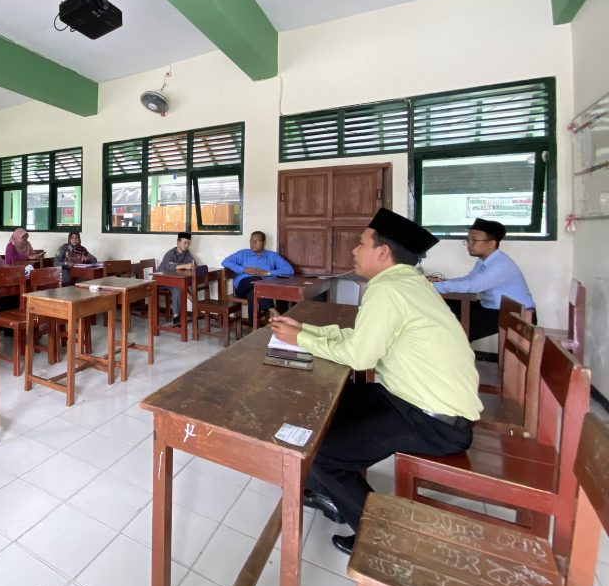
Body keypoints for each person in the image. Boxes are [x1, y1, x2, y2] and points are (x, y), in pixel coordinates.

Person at [269, 208, 480, 556]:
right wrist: (304, 329)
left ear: (383, 252)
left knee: (321, 450)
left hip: (433, 420)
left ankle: (379, 536)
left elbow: (360, 357)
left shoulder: (389, 290)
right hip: (411, 398)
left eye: (361, 243)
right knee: (330, 406)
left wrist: (301, 340)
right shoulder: (407, 283)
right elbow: (362, 338)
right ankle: (325, 489)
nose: (354, 250)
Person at [430, 218, 536, 341]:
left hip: (516, 314)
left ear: (491, 243)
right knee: (445, 304)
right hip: (495, 309)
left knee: (454, 329)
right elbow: (470, 279)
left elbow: (473, 285)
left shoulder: (500, 264)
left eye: (474, 240)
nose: (469, 244)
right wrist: (443, 282)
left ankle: (453, 347)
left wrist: (431, 286)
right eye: (467, 240)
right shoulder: (484, 261)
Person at [221, 231, 294, 323]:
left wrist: (267, 273)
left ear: (264, 242)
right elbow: (225, 262)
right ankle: (274, 312)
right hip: (243, 286)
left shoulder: (272, 256)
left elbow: (289, 270)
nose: (253, 243)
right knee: (256, 281)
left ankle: (254, 326)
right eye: (251, 241)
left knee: (253, 293)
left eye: (256, 241)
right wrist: (244, 269)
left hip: (262, 288)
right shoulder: (243, 254)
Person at [157, 232, 197, 326]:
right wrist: (184, 266)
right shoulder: (170, 253)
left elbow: (194, 264)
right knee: (179, 286)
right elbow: (169, 266)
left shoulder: (187, 253)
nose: (186, 245)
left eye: (188, 243)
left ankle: (176, 317)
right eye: (184, 243)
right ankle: (194, 302)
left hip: (175, 281)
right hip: (161, 280)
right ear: (178, 242)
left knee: (178, 288)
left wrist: (187, 265)